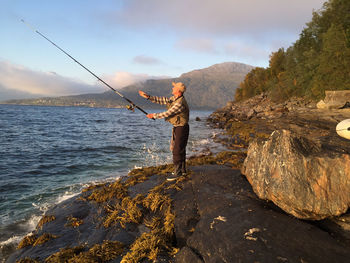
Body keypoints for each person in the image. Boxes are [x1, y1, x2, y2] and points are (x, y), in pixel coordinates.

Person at [139, 82, 189, 181]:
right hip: (179, 127)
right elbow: (163, 100)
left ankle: (177, 173)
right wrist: (148, 97)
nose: (172, 87)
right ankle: (182, 171)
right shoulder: (174, 99)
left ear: (178, 90)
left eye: (174, 87)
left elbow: (168, 113)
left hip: (181, 128)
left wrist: (153, 115)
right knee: (180, 149)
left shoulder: (179, 103)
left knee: (177, 150)